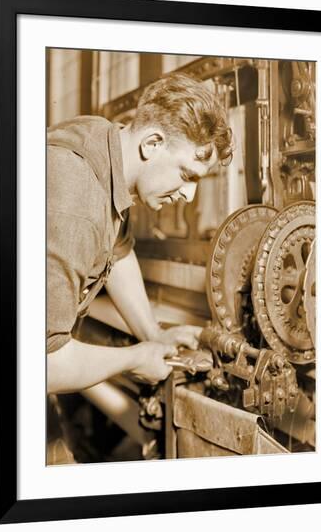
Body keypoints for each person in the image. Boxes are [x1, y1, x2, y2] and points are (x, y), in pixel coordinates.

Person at [46, 73, 233, 395]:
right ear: (152, 144)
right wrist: (135, 358)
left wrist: (153, 334)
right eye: (187, 175)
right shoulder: (74, 202)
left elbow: (117, 252)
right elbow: (40, 364)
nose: (188, 196)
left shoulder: (106, 145)